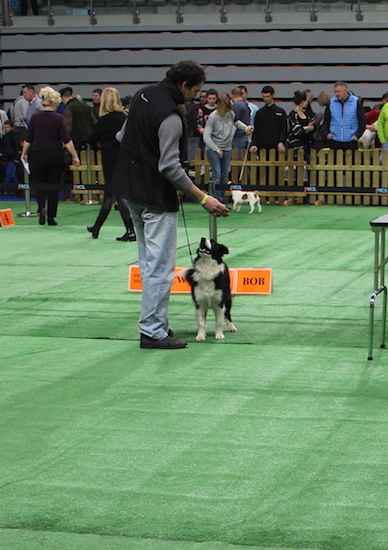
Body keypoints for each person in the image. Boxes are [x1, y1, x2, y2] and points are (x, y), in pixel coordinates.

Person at [112, 60, 231, 350]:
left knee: (148, 262)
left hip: (129, 191)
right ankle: (153, 331)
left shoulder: (142, 95)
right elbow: (169, 166)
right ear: (183, 85)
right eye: (195, 91)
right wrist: (203, 198)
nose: (195, 98)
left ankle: (155, 323)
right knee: (160, 267)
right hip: (154, 197)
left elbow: (122, 136)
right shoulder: (172, 116)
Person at [21, 85, 80, 226]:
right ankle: (51, 217)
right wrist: (75, 156)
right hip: (55, 154)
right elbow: (66, 140)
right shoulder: (58, 118)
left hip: (38, 154)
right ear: (54, 102)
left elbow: (28, 138)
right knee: (54, 186)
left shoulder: (35, 117)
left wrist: (24, 153)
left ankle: (41, 208)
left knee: (39, 183)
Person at [86, 87, 136, 241]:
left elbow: (92, 138)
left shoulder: (104, 120)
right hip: (124, 157)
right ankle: (97, 227)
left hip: (109, 158)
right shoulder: (125, 117)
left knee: (116, 193)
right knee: (109, 193)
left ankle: (130, 230)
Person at [203, 92, 252, 202]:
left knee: (225, 175)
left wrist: (246, 128)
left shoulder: (230, 114)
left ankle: (222, 199)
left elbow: (236, 122)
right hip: (213, 149)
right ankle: (216, 200)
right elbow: (206, 137)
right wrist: (217, 149)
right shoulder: (213, 117)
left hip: (227, 148)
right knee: (217, 175)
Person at [249, 86, 288, 155]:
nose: (265, 99)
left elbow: (283, 129)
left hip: (276, 146)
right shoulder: (260, 113)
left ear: (272, 95)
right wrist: (254, 144)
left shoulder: (280, 112)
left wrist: (281, 142)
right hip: (262, 146)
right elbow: (256, 130)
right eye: (263, 96)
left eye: (267, 96)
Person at [327, 82, 364, 151]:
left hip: (351, 140)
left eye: (338, 91)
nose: (336, 94)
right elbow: (327, 119)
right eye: (335, 92)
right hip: (335, 139)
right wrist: (327, 134)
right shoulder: (331, 102)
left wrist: (358, 135)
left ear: (345, 90)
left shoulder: (356, 102)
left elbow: (362, 120)